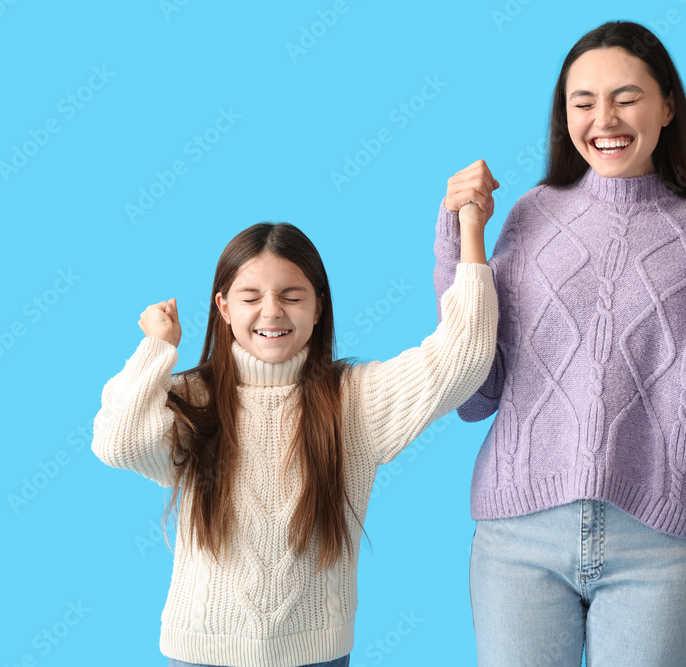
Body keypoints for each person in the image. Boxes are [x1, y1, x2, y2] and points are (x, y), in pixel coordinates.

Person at [433, 20, 686, 667]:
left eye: (626, 97)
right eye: (583, 101)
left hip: (659, 536)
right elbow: (475, 394)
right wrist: (461, 241)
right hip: (519, 535)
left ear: (667, 105)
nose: (605, 119)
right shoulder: (530, 213)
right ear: (563, 113)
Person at [91, 208, 498, 667]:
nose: (271, 311)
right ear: (223, 307)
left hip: (315, 655)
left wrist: (470, 231)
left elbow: (463, 356)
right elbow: (119, 443)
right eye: (250, 297)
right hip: (202, 652)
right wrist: (156, 348)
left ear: (318, 305)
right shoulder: (194, 398)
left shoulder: (354, 399)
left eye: (291, 295)